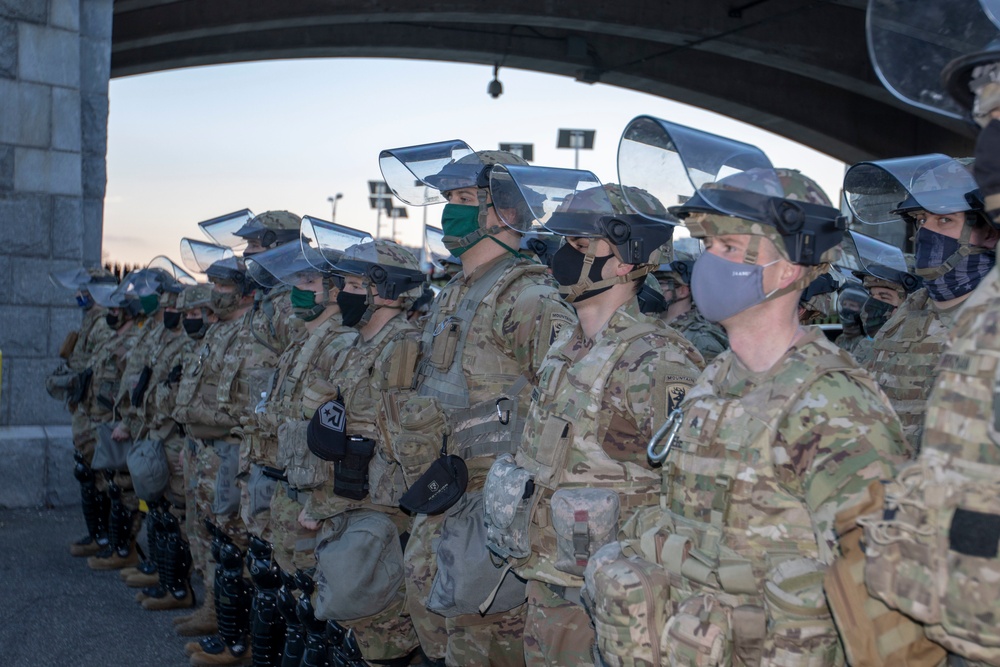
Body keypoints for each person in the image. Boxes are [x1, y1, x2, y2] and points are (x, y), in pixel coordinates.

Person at [585, 117, 908, 666]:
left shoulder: (831, 404)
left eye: (731, 245)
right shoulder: (718, 377)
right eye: (708, 244)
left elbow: (883, 594)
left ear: (788, 267)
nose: (709, 260)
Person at [480, 171, 704, 666]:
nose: (565, 254)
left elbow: (688, 492)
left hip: (605, 598)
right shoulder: (565, 348)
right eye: (564, 241)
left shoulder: (656, 360)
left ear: (625, 259)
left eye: (580, 243)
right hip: (548, 581)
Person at [377, 141, 578, 666]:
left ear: (508, 210)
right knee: (441, 639)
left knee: (485, 648)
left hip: (493, 511)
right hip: (445, 493)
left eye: (467, 196)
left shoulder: (529, 298)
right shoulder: (455, 292)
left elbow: (565, 408)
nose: (452, 207)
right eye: (449, 195)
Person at [299, 238, 427, 665]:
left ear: (385, 290)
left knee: (384, 637)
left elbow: (397, 442)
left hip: (381, 511)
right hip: (348, 506)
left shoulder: (405, 348)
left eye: (355, 285)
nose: (342, 294)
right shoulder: (354, 346)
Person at [845, 154, 998, 451]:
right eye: (920, 219)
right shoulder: (908, 312)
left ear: (990, 231)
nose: (925, 233)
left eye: (944, 219)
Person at [170, 254, 256, 665]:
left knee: (232, 543)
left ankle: (236, 633)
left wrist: (200, 418)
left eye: (223, 288)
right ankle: (214, 611)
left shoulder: (250, 332)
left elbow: (242, 403)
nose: (215, 295)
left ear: (243, 291)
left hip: (227, 450)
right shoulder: (218, 332)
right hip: (203, 450)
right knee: (205, 531)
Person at [50, 267, 117, 557]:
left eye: (84, 291)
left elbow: (98, 372)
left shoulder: (102, 322)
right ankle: (97, 535)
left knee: (100, 474)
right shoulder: (91, 320)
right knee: (87, 470)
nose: (78, 295)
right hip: (84, 407)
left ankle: (107, 540)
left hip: (94, 411)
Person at [653, 255, 729, 361]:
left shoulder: (700, 338)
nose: (653, 287)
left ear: (683, 291)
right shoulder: (652, 324)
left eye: (661, 283)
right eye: (652, 282)